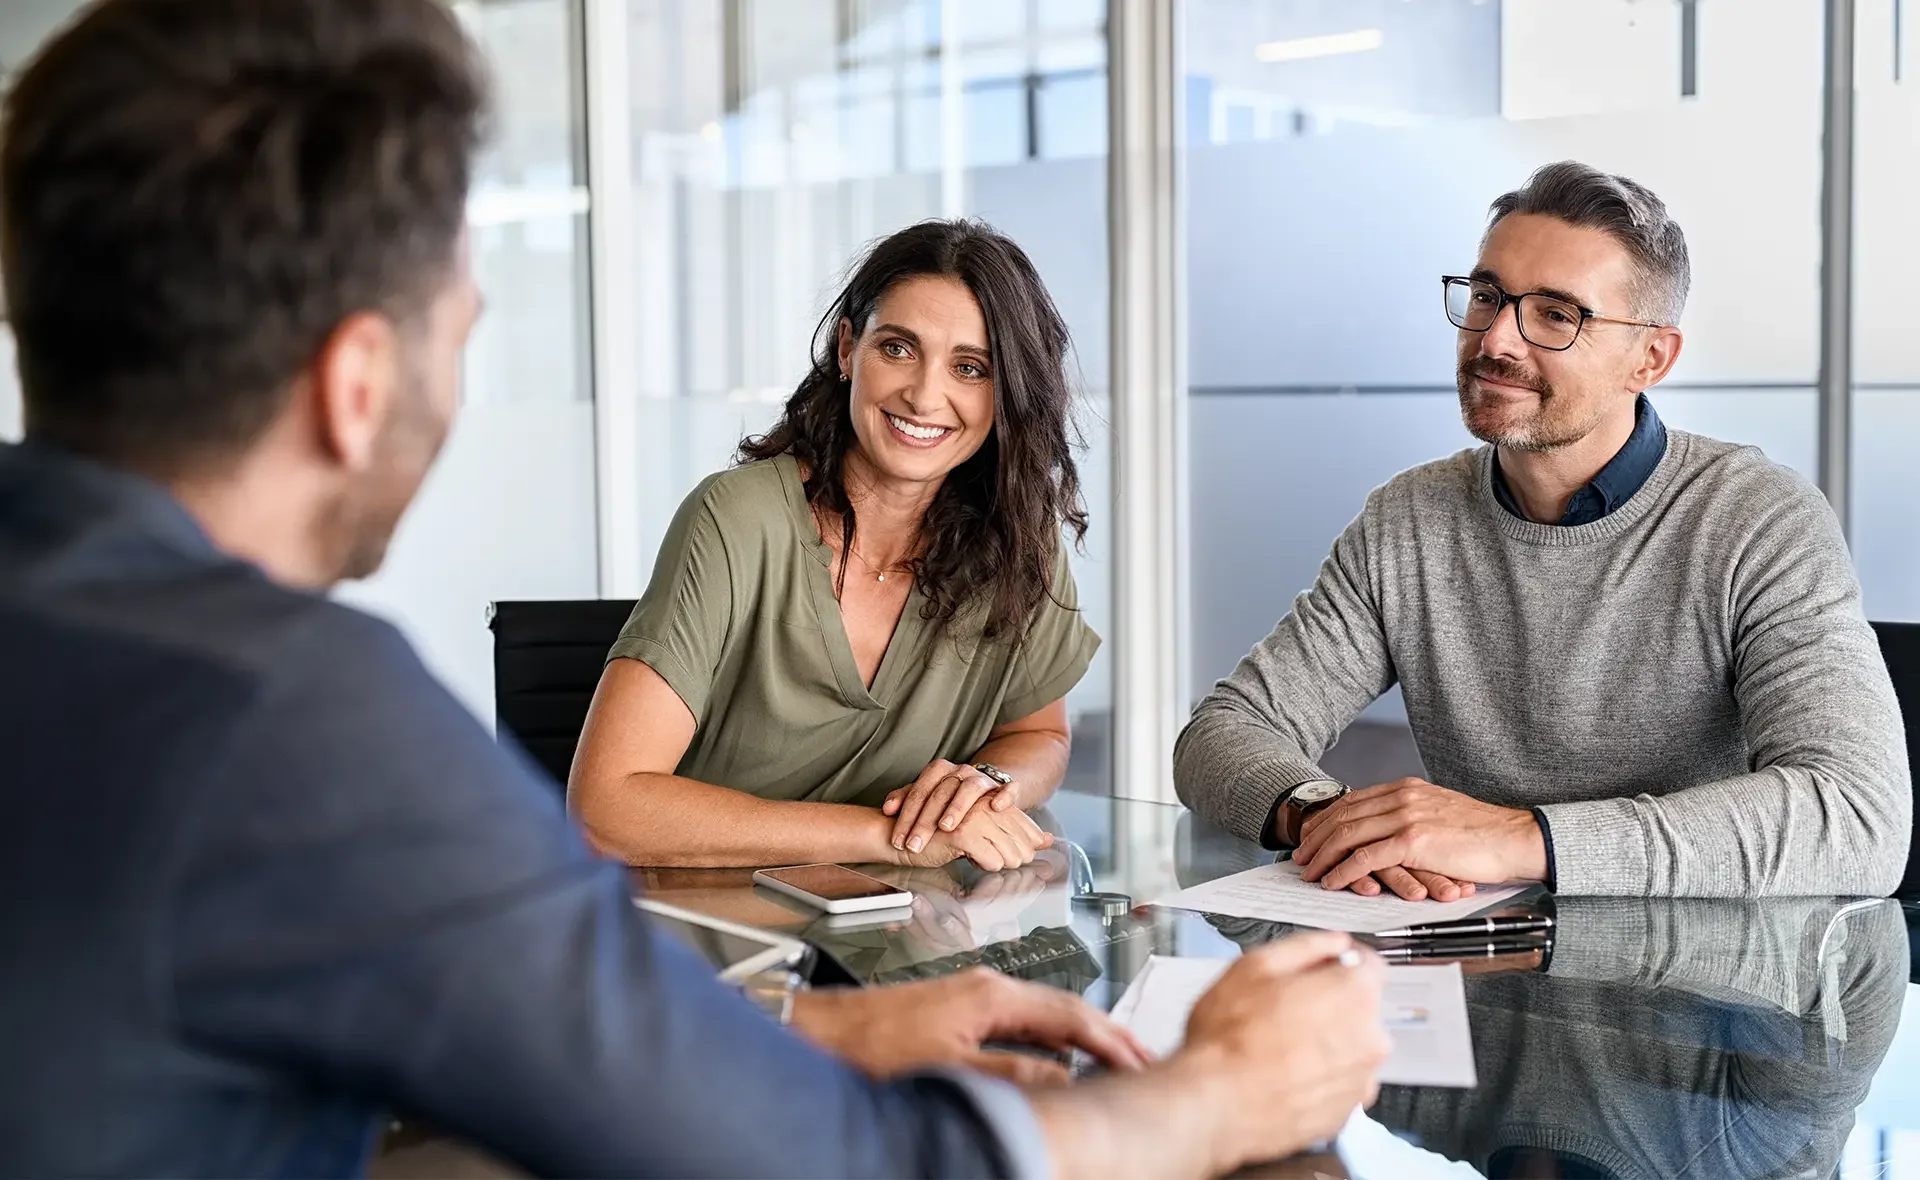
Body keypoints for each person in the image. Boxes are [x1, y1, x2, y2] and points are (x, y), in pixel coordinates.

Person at [0, 1, 1392, 1176]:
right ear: (357, 385)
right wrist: (1211, 1094)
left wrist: (811, 1024)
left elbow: (479, 1030)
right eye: (461, 328)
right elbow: (847, 1161)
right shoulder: (295, 727)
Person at [1175, 160, 1911, 900]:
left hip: (1709, 963)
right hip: (1473, 948)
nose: (1496, 339)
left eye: (1557, 315)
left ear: (1650, 358)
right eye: (1487, 296)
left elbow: (1856, 818)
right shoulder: (1408, 520)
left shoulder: (1758, 520)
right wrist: (1329, 818)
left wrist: (1520, 839)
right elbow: (1223, 732)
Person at [570, 220, 1099, 871]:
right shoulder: (737, 519)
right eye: (898, 349)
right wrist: (887, 837)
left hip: (908, 924)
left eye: (970, 368)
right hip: (705, 919)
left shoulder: (1018, 539)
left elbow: (1039, 733)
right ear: (848, 350)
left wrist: (985, 785)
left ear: (1007, 391)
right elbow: (606, 810)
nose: (924, 395)